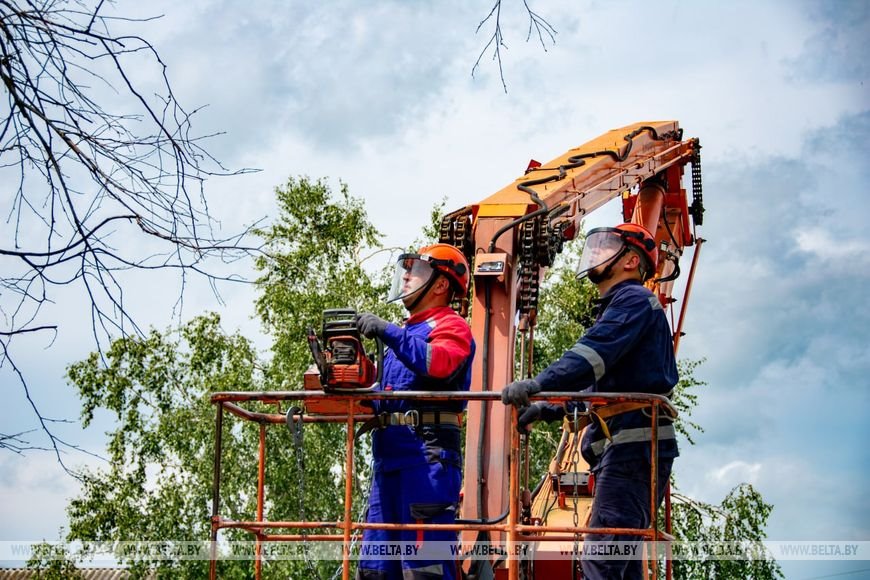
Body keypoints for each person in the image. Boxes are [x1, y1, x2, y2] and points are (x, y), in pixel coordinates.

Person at [501, 223, 679, 580]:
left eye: (606, 246)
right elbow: (595, 389)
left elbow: (589, 357)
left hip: (633, 452)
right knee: (622, 564)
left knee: (603, 559)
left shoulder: (633, 301)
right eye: (595, 245)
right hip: (629, 450)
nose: (595, 253)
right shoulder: (625, 306)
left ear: (631, 261)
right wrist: (547, 408)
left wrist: (540, 385)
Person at [354, 243, 475, 580]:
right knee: (376, 571)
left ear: (440, 284)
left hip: (426, 463)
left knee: (425, 571)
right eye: (405, 270)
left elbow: (439, 363)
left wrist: (387, 332)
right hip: (388, 465)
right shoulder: (405, 337)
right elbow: (381, 399)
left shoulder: (451, 326)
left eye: (416, 271)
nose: (406, 276)